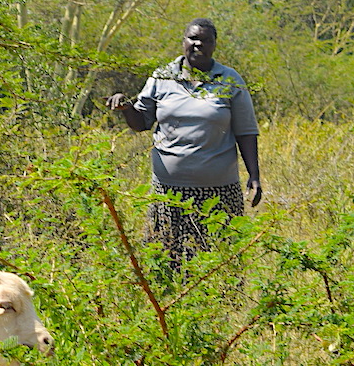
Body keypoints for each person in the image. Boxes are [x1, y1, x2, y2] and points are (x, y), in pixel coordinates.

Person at [106, 18, 262, 268]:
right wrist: (125, 106)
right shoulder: (162, 77)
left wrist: (254, 175)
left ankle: (222, 307)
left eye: (206, 40)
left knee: (220, 264)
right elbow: (142, 122)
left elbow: (246, 131)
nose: (198, 44)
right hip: (169, 192)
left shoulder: (229, 79)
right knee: (166, 262)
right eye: (193, 38)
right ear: (183, 42)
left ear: (214, 45)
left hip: (220, 191)